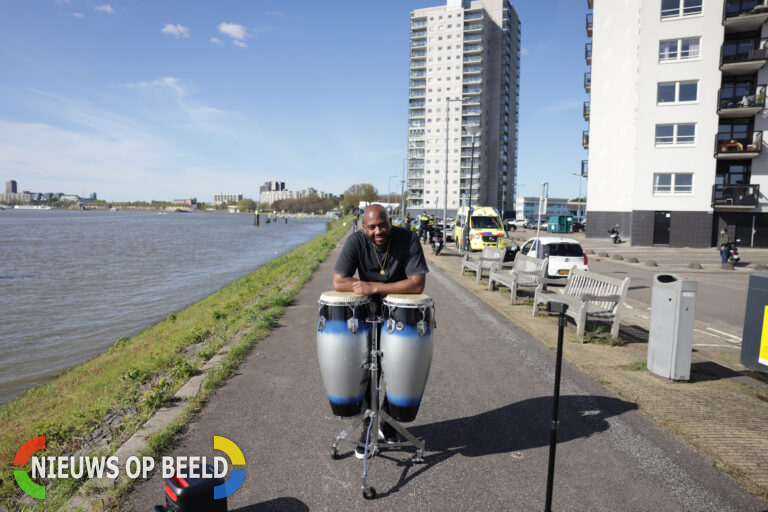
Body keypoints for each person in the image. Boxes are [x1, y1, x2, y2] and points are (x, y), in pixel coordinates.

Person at [333, 204, 428, 458]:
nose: (378, 231)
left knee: (396, 370)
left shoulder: (408, 238)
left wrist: (374, 287)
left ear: (390, 222)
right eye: (372, 227)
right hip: (366, 315)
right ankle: (369, 426)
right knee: (368, 370)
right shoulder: (355, 242)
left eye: (383, 224)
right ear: (364, 228)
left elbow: (418, 283)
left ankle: (386, 422)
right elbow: (338, 281)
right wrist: (364, 288)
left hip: (401, 315)